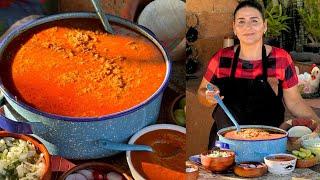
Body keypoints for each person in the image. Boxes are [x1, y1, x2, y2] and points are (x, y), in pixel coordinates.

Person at [197, 0, 320, 148]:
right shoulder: (221, 58)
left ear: (265, 26)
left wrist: (317, 123)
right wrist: (208, 96)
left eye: (254, 21)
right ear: (234, 28)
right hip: (225, 144)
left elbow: (294, 102)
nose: (248, 27)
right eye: (241, 22)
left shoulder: (281, 58)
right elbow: (202, 93)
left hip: (268, 143)